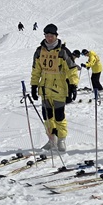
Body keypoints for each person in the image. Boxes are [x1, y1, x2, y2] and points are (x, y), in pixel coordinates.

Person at [29, 23, 78, 152]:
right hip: (45, 90)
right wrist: (34, 86)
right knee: (47, 118)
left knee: (59, 117)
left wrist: (73, 85)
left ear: (56, 36)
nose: (49, 38)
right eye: (47, 35)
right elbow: (36, 70)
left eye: (51, 36)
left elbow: (72, 70)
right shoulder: (39, 51)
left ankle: (61, 140)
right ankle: (52, 139)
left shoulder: (63, 51)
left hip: (59, 90)